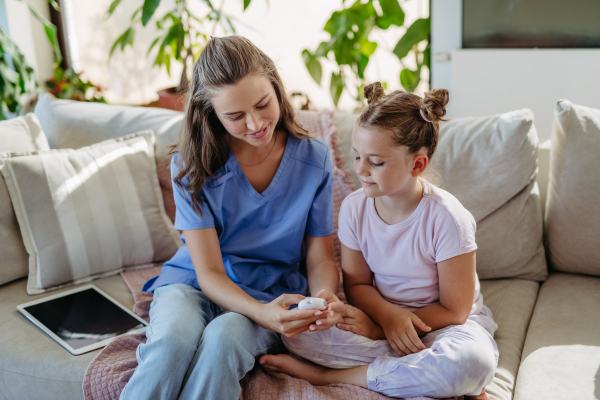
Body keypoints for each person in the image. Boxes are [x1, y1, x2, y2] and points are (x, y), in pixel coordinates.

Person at [120, 35, 345, 400]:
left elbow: (320, 256)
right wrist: (259, 312)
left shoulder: (313, 158)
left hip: (271, 292)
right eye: (235, 116)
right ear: (210, 113)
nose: (255, 124)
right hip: (194, 282)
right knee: (172, 343)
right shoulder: (191, 167)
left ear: (276, 88)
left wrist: (322, 298)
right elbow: (208, 273)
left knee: (223, 341)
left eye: (262, 104)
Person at [260, 83, 499, 400]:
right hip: (382, 320)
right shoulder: (354, 208)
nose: (361, 169)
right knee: (299, 336)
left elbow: (455, 310)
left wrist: (386, 327)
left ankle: (329, 376)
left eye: (376, 161)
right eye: (358, 156)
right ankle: (422, 376)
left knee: (472, 362)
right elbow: (357, 285)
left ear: (417, 164)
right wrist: (383, 320)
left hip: (446, 328)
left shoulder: (448, 218)